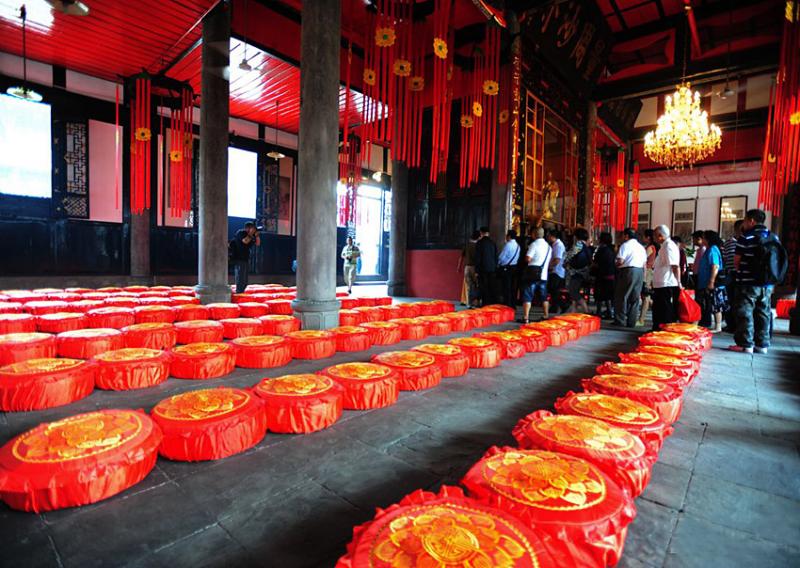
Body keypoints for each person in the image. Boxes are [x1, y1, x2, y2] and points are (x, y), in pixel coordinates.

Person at [731, 209, 775, 354]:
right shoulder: (773, 237)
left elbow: (736, 261)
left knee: (745, 312)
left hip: (748, 282)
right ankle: (762, 345)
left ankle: (745, 344)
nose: (743, 223)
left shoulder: (746, 237)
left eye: (744, 220)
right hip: (767, 283)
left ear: (751, 221)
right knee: (764, 312)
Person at [614, 228, 647, 327]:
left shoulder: (625, 245)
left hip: (628, 271)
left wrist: (615, 264)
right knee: (635, 298)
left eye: (623, 235)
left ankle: (620, 320)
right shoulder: (641, 247)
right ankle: (631, 321)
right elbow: (644, 263)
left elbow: (620, 261)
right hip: (640, 271)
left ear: (626, 236)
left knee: (622, 296)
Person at [651, 225, 682, 331]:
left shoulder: (669, 245)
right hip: (661, 283)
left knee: (665, 309)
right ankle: (657, 329)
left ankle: (664, 331)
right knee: (658, 308)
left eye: (654, 235)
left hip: (667, 283)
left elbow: (675, 266)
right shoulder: (664, 245)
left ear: (660, 236)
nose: (653, 238)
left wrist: (679, 282)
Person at [696, 230, 727, 333]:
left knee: (716, 303)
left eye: (704, 238)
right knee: (711, 303)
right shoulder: (709, 249)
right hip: (706, 282)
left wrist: (711, 281)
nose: (702, 240)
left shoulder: (713, 249)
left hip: (712, 282)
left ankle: (718, 326)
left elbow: (715, 266)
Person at [519, 227, 551, 323]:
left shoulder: (534, 245)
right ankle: (545, 315)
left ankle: (526, 317)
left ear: (534, 234)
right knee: (544, 296)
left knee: (528, 295)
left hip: (532, 275)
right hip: (544, 275)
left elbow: (528, 258)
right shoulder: (549, 247)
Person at [563, 227, 591, 313]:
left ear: (576, 236)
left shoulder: (578, 244)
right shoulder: (586, 246)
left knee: (574, 291)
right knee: (574, 291)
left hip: (576, 272)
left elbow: (569, 255)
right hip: (583, 272)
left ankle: (586, 310)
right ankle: (573, 311)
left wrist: (565, 259)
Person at [722, 220, 743, 332]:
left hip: (741, 275)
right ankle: (732, 325)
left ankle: (737, 325)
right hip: (733, 274)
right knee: (731, 300)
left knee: (739, 301)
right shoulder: (730, 243)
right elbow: (728, 260)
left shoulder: (745, 241)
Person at [230, 221, 260, 294]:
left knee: (245, 281)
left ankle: (241, 293)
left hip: (245, 259)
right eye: (252, 228)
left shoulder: (250, 235)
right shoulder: (241, 233)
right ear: (247, 228)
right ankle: (238, 294)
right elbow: (245, 241)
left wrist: (256, 235)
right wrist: (250, 233)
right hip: (239, 258)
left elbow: (258, 244)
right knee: (240, 280)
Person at [592, 232, 616, 319]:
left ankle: (599, 312)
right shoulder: (612, 249)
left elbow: (596, 262)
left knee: (599, 295)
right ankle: (609, 312)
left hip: (602, 275)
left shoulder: (602, 250)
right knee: (608, 296)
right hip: (611, 275)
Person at [638, 229, 658, 327]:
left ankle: (641, 319)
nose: (643, 238)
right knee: (647, 296)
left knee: (645, 295)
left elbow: (643, 258)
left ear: (648, 237)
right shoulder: (653, 247)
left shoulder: (650, 247)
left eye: (644, 236)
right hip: (649, 272)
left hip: (647, 272)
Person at [497, 229, 521, 309]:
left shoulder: (508, 245)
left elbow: (501, 257)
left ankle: (507, 304)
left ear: (509, 236)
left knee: (506, 287)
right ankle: (513, 304)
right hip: (514, 267)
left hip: (506, 268)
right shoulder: (518, 246)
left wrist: (499, 263)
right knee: (512, 287)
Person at [474, 226, 498, 306]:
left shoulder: (479, 243)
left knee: (483, 286)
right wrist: (495, 267)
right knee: (491, 286)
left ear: (481, 233)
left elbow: (478, 258)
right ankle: (492, 303)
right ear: (488, 233)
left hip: (482, 268)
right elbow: (496, 256)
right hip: (492, 268)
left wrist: (476, 270)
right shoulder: (493, 243)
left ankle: (485, 303)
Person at [545, 229, 567, 314]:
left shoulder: (558, 245)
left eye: (548, 235)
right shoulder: (555, 244)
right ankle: (555, 307)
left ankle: (563, 305)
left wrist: (549, 266)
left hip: (557, 271)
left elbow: (557, 259)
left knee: (553, 289)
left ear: (552, 236)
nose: (547, 237)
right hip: (555, 270)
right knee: (553, 290)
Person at [458, 230, 480, 307]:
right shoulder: (478, 246)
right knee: (477, 285)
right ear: (478, 237)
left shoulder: (466, 245)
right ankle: (476, 302)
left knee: (468, 286)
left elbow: (461, 257)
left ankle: (468, 303)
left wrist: (459, 267)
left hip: (467, 267)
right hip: (475, 268)